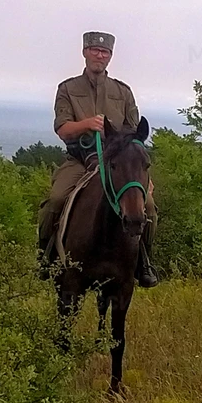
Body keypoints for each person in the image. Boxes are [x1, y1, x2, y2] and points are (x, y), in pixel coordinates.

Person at [37, 31, 159, 287]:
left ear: (110, 56)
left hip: (118, 164)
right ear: (85, 52)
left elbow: (134, 136)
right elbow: (62, 129)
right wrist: (87, 124)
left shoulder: (123, 92)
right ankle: (45, 258)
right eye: (94, 50)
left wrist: (141, 177)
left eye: (104, 52)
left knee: (147, 207)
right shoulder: (68, 89)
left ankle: (144, 262)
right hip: (80, 160)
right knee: (56, 199)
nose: (99, 55)